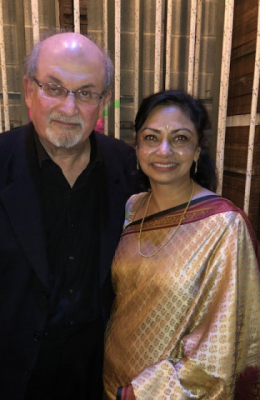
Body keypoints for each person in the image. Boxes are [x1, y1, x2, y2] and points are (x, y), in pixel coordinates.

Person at [0, 31, 144, 400]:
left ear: (104, 102)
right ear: (29, 91)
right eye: (54, 87)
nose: (69, 107)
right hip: (10, 373)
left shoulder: (129, 167)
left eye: (87, 92)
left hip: (100, 374)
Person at [103, 90, 260, 399]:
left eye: (179, 138)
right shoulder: (132, 208)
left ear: (197, 151)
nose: (164, 150)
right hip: (111, 378)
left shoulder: (224, 225)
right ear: (137, 148)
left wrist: (143, 392)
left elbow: (225, 341)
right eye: (151, 138)